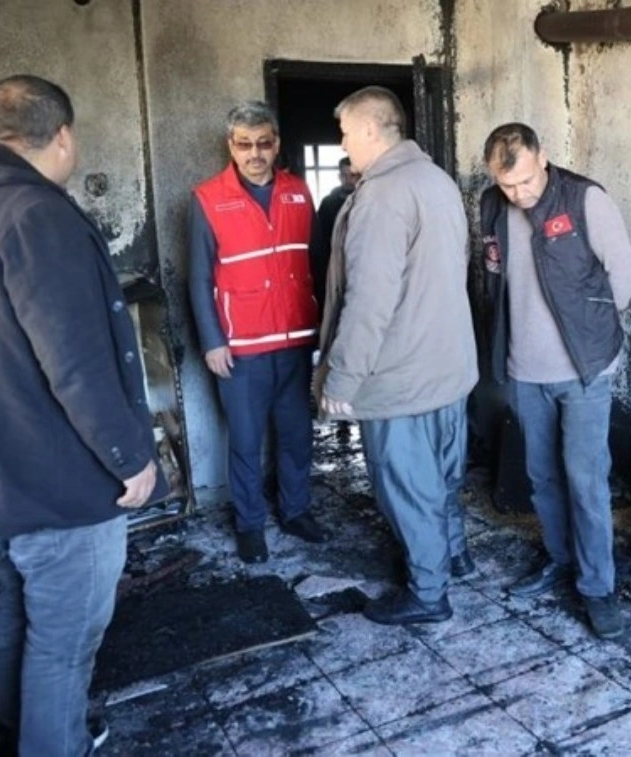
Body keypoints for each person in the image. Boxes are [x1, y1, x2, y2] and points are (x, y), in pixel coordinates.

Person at [0, 74, 166, 755]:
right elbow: (76, 362)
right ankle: (54, 741)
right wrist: (130, 457)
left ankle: (25, 729)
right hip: (55, 479)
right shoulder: (36, 215)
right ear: (64, 136)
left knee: (17, 603)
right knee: (65, 642)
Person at [315, 86, 477, 625]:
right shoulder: (437, 180)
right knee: (443, 475)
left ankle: (429, 594)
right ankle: (455, 554)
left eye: (345, 134)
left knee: (408, 487)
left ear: (370, 130)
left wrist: (342, 378)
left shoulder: (382, 195)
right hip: (447, 364)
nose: (343, 146)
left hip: (401, 375)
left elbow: (369, 299)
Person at [479, 122, 631, 639]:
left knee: (585, 478)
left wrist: (594, 331)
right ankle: (560, 558)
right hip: (525, 370)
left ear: (542, 157)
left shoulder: (585, 199)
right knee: (542, 475)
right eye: (507, 185)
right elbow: (494, 278)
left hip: (584, 369)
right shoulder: (492, 206)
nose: (519, 194)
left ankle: (597, 588)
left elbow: (625, 274)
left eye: (526, 180)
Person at [189, 101, 331, 564]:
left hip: (295, 339)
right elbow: (198, 277)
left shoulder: (298, 192)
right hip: (241, 347)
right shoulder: (208, 198)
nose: (255, 154)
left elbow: (317, 263)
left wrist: (326, 328)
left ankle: (296, 510)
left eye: (264, 143)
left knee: (297, 435)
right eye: (245, 144)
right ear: (231, 146)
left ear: (277, 144)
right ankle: (250, 524)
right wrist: (212, 340)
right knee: (247, 441)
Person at [309, 156, 357, 312]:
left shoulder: (368, 200)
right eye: (344, 175)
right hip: (333, 262)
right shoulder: (328, 204)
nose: (348, 180)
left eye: (353, 175)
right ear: (339, 176)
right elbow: (319, 239)